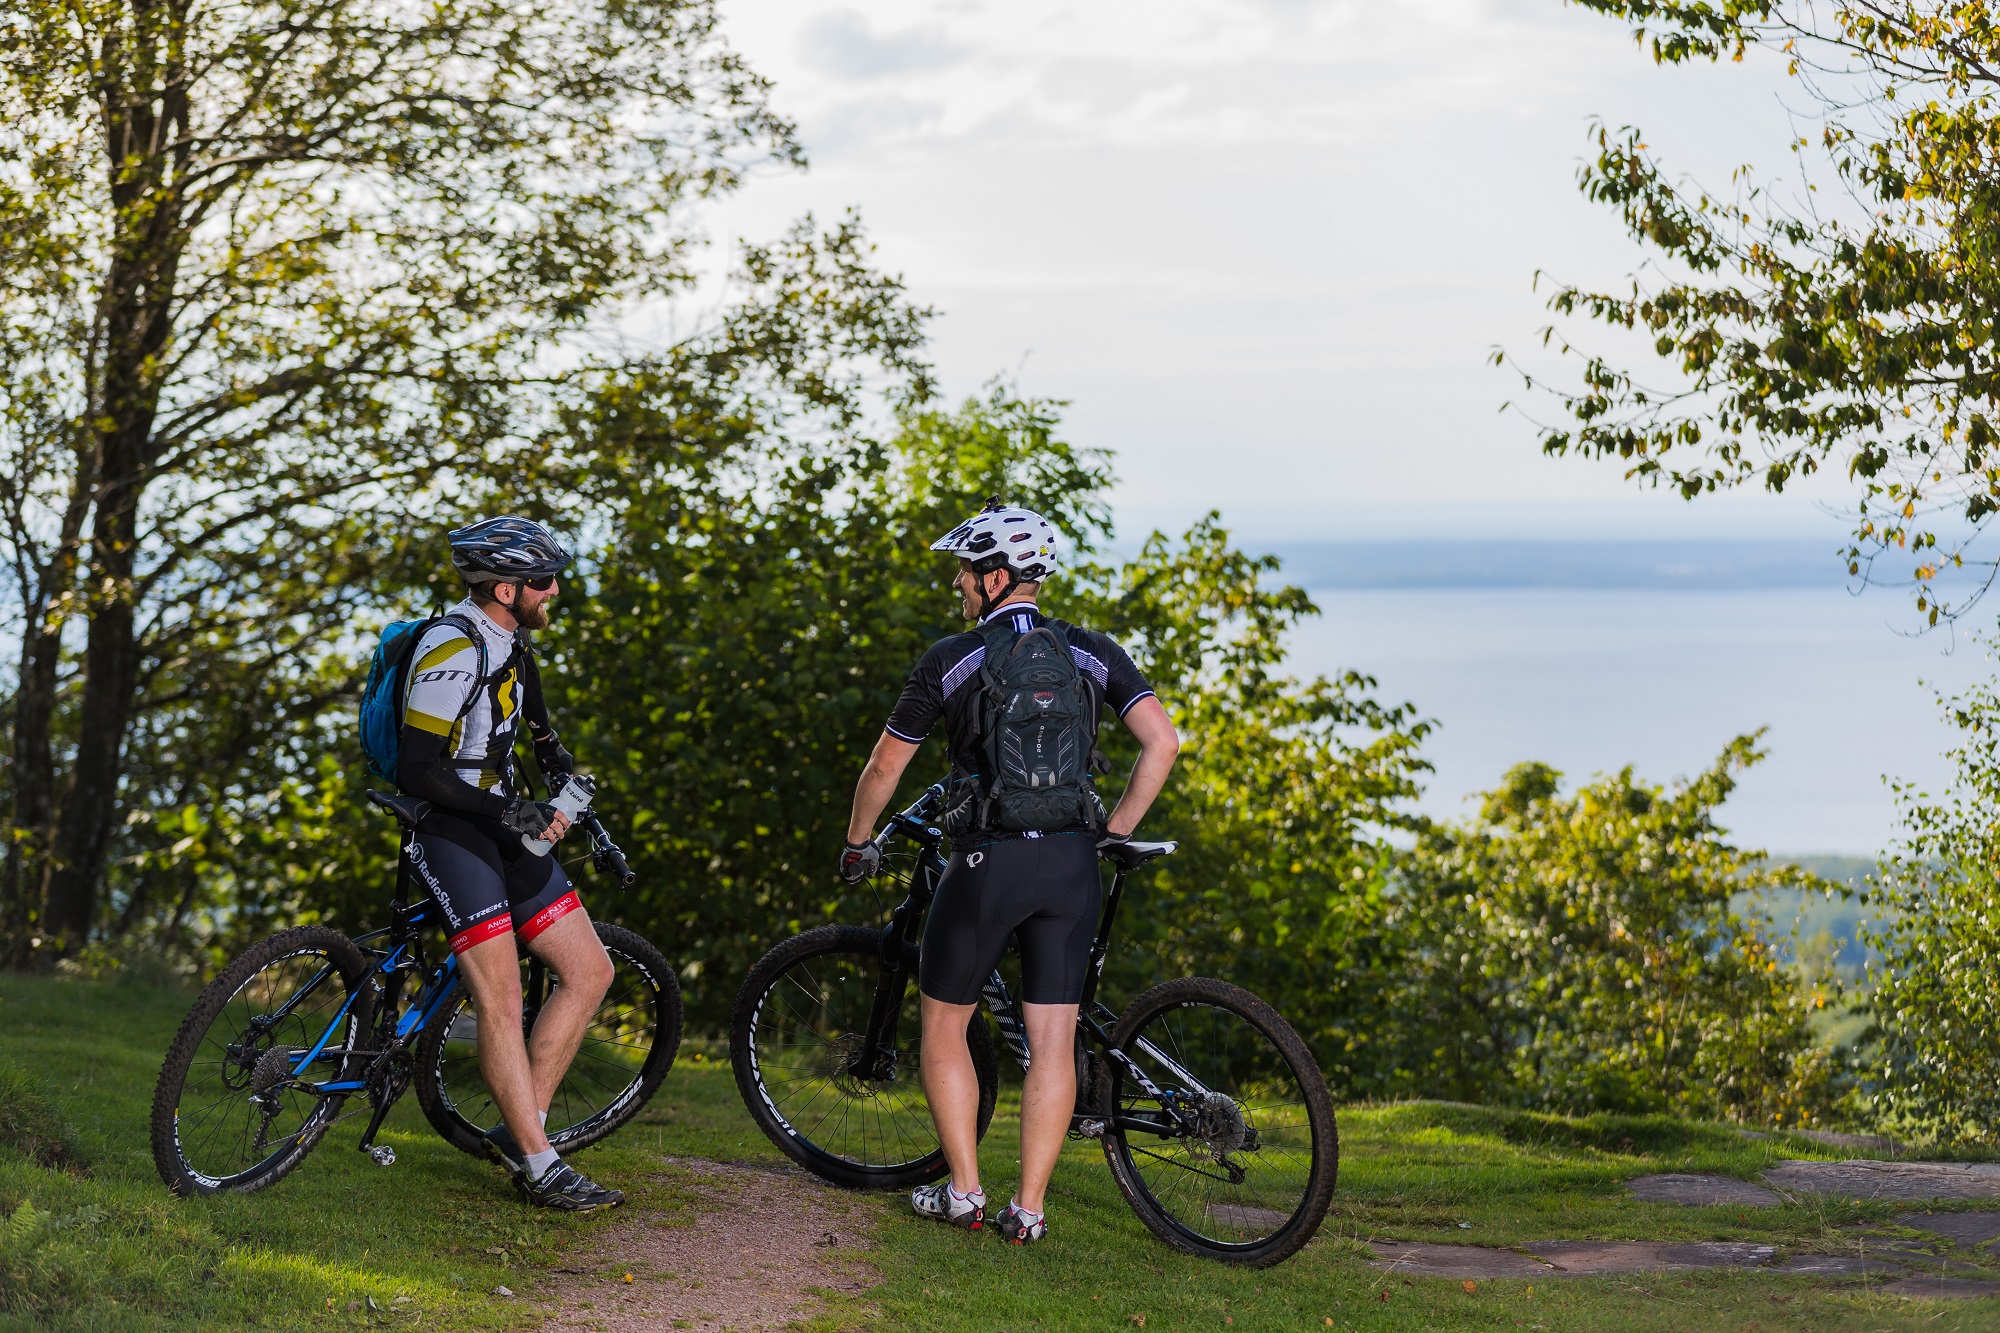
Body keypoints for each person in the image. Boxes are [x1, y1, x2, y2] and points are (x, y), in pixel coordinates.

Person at [838, 502, 1180, 1245]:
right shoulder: (1091, 650)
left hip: (989, 863)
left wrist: (859, 839)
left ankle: (965, 1192)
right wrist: (1115, 831)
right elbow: (1163, 742)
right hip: (1071, 864)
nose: (958, 583)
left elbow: (885, 765)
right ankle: (1028, 1210)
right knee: (1053, 1040)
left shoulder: (951, 657)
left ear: (996, 576)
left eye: (966, 570)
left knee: (944, 1024)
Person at [396, 516, 623, 1211]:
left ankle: (525, 1131)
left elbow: (543, 740)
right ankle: (540, 1165)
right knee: (501, 997)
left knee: (590, 971)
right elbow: (418, 771)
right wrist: (516, 813)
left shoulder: (514, 645)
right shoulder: (452, 647)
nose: (554, 591)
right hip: (451, 833)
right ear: (505, 588)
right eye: (543, 581)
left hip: (502, 826)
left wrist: (569, 787)